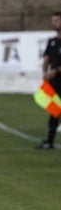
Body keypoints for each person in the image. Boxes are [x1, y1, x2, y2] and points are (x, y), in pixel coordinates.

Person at [36, 11, 61, 150]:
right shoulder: (52, 42)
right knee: (54, 111)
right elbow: (46, 58)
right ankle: (49, 141)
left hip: (58, 76)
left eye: (57, 20)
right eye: (53, 20)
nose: (54, 23)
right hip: (54, 81)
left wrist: (56, 70)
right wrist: (45, 71)